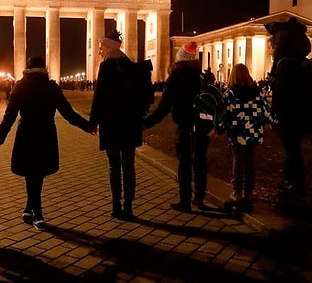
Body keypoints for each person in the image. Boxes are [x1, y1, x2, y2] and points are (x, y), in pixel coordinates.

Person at [0, 56, 94, 229]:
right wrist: (88, 126)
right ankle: (37, 213)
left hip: (26, 133)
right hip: (46, 132)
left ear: (27, 68)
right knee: (37, 173)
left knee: (31, 173)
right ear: (44, 69)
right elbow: (68, 113)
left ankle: (30, 209)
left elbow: (8, 117)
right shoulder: (52, 87)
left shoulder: (20, 86)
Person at [144, 41, 212, 212]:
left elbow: (164, 107)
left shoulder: (175, 78)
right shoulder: (201, 77)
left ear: (180, 59)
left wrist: (146, 123)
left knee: (184, 164)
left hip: (185, 126)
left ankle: (185, 201)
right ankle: (200, 199)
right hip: (202, 127)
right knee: (200, 163)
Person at [89, 29, 144, 220]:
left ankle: (116, 205)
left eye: (101, 47)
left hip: (111, 124)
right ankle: (129, 206)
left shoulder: (106, 66)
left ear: (108, 47)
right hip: (130, 124)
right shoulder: (131, 65)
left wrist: (93, 122)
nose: (99, 51)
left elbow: (99, 96)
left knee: (114, 166)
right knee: (129, 165)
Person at [265, 17, 312, 201]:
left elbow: (281, 93)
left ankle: (296, 182)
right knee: (293, 148)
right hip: (301, 112)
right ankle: (290, 179)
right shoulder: (300, 61)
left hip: (289, 114)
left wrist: (273, 115)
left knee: (292, 149)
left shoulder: (285, 63)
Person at [219, 63, 275, 211]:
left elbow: (224, 113)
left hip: (236, 130)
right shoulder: (257, 92)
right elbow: (266, 109)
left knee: (238, 160)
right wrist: (273, 121)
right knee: (250, 160)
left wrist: (219, 128)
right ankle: (249, 191)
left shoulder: (230, 93)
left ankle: (237, 192)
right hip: (253, 130)